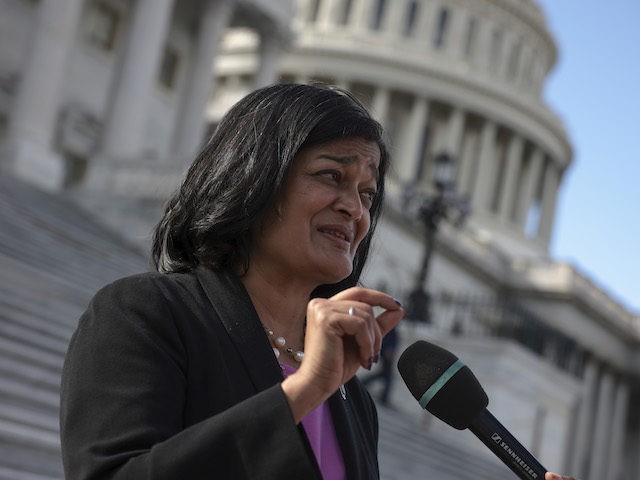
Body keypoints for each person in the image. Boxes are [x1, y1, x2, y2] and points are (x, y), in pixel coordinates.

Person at [59, 83, 576, 480]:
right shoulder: (143, 314)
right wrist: (302, 392)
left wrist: (316, 385)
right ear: (253, 179)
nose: (354, 209)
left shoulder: (351, 399)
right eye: (331, 176)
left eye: (369, 194)